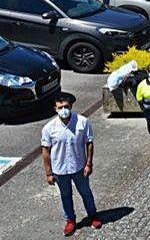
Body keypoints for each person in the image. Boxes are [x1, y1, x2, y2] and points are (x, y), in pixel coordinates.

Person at [41, 93, 102, 236]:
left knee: (86, 193)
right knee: (65, 195)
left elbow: (89, 143)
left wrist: (89, 164)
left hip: (79, 166)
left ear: (71, 106)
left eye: (66, 106)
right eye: (60, 107)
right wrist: (49, 173)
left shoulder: (82, 122)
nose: (64, 110)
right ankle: (70, 221)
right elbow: (45, 151)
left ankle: (93, 216)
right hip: (60, 169)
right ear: (55, 109)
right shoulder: (49, 128)